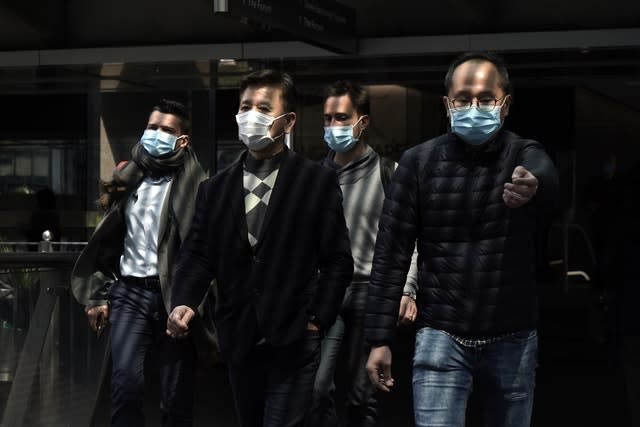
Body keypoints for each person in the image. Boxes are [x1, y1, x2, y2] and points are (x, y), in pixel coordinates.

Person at [365, 52, 560, 427]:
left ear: (505, 105)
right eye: (463, 98)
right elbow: (391, 251)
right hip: (441, 334)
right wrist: (378, 338)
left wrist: (534, 185)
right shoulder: (418, 163)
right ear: (446, 104)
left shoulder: (524, 153)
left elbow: (546, 177)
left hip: (512, 336)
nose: (474, 106)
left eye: (486, 98)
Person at [166, 70, 354, 427]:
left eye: (264, 107)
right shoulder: (215, 189)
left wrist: (317, 319)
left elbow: (337, 260)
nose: (251, 115)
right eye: (245, 106)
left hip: (295, 335)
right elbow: (197, 253)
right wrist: (184, 301)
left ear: (288, 120)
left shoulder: (315, 180)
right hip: (239, 335)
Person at [70, 99, 216, 427]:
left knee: (175, 395)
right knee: (125, 386)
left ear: (182, 140)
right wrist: (97, 294)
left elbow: (207, 250)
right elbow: (107, 241)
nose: (156, 134)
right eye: (152, 127)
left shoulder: (200, 185)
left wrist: (192, 301)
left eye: (166, 130)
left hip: (175, 298)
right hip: (129, 294)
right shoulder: (127, 175)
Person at [308, 80, 418, 427]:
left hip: (372, 291)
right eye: (327, 119)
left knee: (361, 396)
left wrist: (407, 288)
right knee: (315, 387)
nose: (333, 127)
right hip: (327, 291)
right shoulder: (315, 178)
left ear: (363, 122)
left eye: (342, 118)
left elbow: (410, 238)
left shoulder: (390, 173)